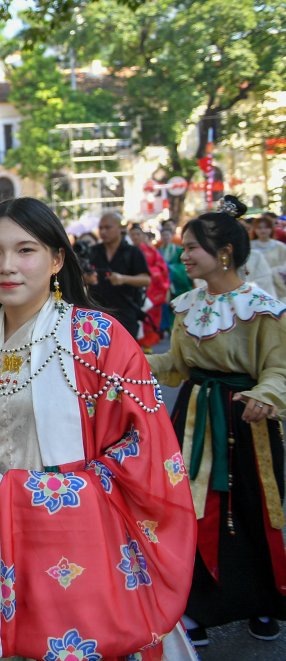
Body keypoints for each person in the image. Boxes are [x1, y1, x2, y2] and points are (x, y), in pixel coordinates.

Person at [0, 197, 197, 660]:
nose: (7, 266)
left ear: (57, 259)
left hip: (78, 544)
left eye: (26, 250)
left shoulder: (98, 338)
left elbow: (147, 448)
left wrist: (53, 498)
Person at [147, 195, 286, 646]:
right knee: (192, 508)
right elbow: (179, 365)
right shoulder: (186, 305)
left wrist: (265, 397)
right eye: (184, 247)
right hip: (194, 415)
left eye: (192, 248)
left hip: (248, 423)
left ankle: (264, 604)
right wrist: (130, 358)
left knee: (249, 509)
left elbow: (278, 368)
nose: (183, 256)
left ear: (223, 252)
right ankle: (198, 608)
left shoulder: (263, 306)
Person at [85, 212, 151, 339]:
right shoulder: (93, 251)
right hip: (97, 314)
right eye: (101, 228)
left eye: (108, 227)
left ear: (120, 228)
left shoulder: (132, 252)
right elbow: (77, 277)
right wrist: (86, 279)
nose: (103, 231)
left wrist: (123, 279)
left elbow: (146, 279)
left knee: (125, 356)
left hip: (126, 312)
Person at [129, 224, 170, 350]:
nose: (135, 237)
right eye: (133, 234)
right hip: (130, 288)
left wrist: (149, 273)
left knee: (148, 316)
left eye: (138, 234)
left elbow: (161, 268)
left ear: (143, 236)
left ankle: (147, 345)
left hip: (149, 289)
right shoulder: (126, 251)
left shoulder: (151, 251)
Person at [158, 226, 193, 334]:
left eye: (167, 235)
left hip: (177, 283)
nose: (165, 237)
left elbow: (184, 267)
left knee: (177, 305)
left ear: (171, 236)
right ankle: (168, 328)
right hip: (163, 282)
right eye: (163, 235)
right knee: (165, 306)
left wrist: (170, 268)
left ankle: (178, 326)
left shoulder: (178, 250)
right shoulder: (158, 251)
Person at [250, 214, 286, 300]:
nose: (263, 230)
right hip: (258, 288)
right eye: (259, 227)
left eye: (266, 227)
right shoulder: (249, 247)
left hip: (279, 288)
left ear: (271, 228)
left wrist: (276, 272)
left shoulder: (280, 246)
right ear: (255, 229)